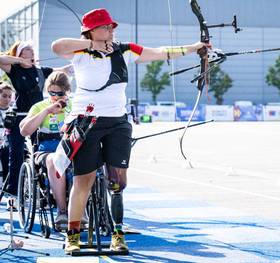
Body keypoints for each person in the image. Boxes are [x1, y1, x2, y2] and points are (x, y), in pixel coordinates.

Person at [51, 8, 210, 253]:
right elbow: (56, 46)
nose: (110, 30)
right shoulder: (80, 51)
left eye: (111, 27)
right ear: (91, 30)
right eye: (105, 27)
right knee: (84, 180)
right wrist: (91, 44)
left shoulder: (124, 49)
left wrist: (193, 47)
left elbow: (159, 52)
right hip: (86, 124)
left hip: (117, 122)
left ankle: (117, 235)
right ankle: (73, 237)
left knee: (117, 182)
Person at [0, 41, 72, 208]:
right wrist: (19, 61)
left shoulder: (40, 70)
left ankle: (47, 190)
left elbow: (61, 72)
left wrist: (73, 64)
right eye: (26, 50)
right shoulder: (14, 69)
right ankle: (13, 192)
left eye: (32, 50)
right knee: (16, 152)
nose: (31, 51)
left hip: (40, 115)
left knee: (41, 151)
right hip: (21, 116)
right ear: (19, 53)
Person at [19, 72, 72, 231]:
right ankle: (62, 211)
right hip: (46, 150)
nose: (55, 97)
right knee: (53, 160)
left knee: (87, 159)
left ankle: (80, 210)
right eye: (51, 93)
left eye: (60, 94)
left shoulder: (73, 106)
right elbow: (24, 131)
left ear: (67, 91)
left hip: (69, 148)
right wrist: (47, 111)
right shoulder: (39, 106)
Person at [0, 83, 14, 188]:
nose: (7, 99)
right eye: (4, 96)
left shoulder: (13, 112)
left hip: (7, 145)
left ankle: (8, 188)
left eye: (9, 96)